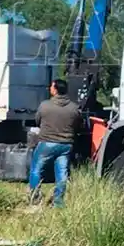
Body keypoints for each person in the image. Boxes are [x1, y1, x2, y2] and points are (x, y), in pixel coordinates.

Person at [28, 78, 83, 208]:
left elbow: (37, 121)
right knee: (62, 174)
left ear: (56, 90)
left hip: (47, 143)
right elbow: (78, 124)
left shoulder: (45, 105)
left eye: (51, 87)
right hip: (66, 145)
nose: (50, 88)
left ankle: (35, 200)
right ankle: (58, 202)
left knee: (36, 170)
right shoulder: (74, 108)